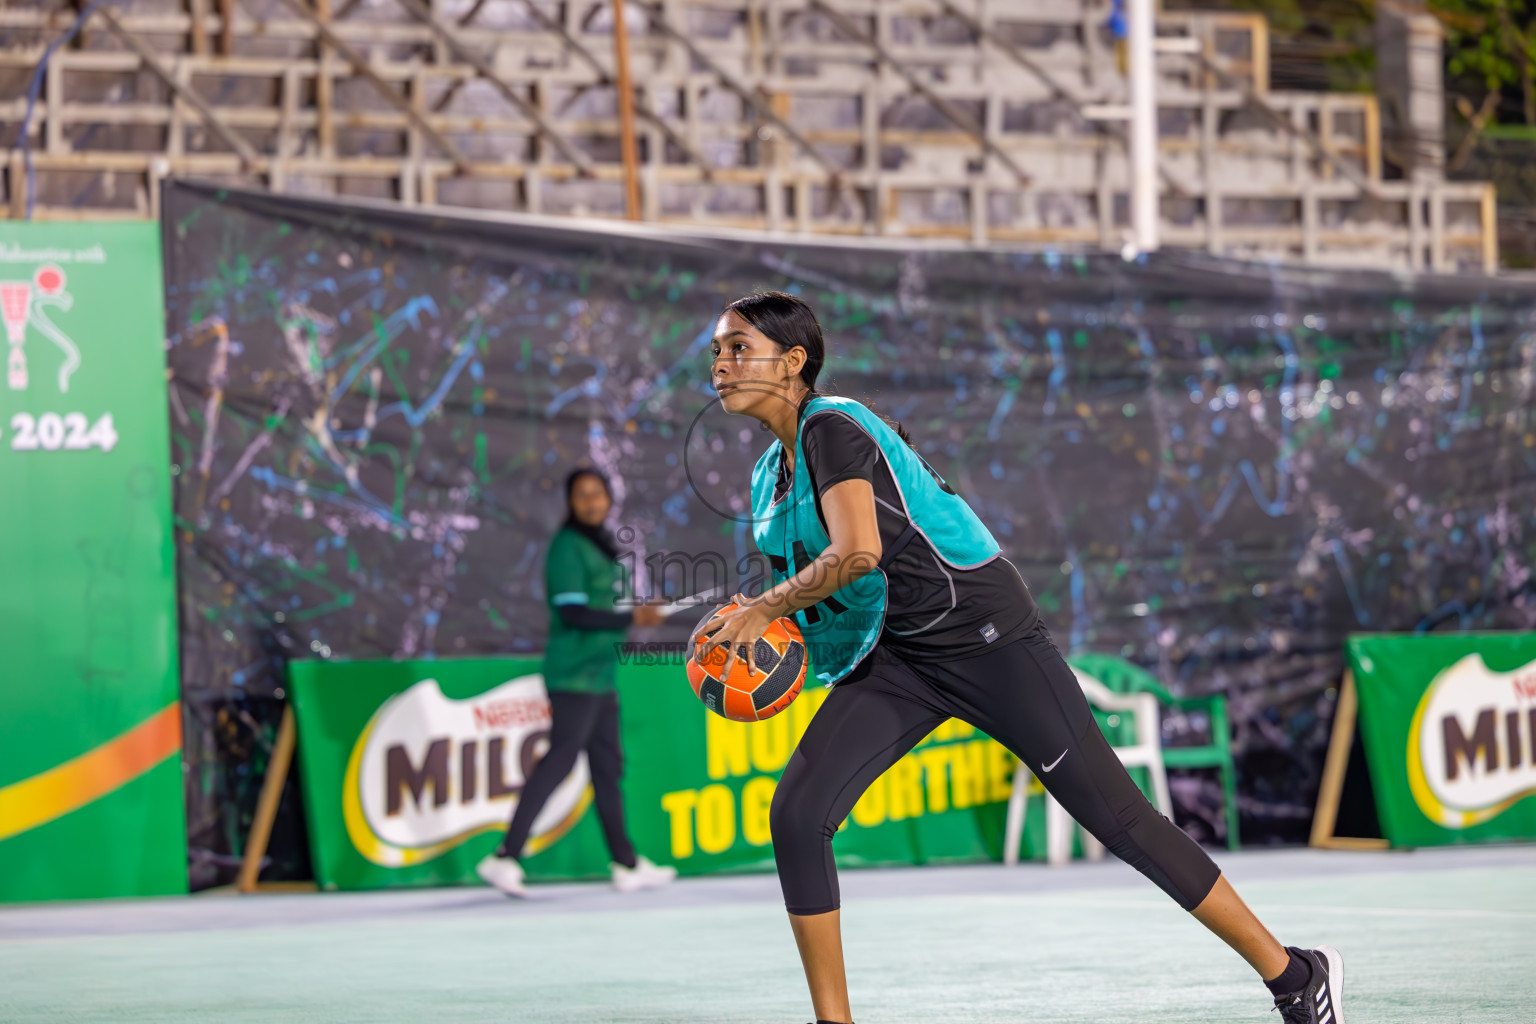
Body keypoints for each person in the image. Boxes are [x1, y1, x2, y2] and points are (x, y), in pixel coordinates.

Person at [697, 291, 1344, 1024]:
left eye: (737, 348)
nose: (720, 363)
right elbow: (829, 599)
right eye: (716, 351)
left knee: (1120, 820)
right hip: (900, 658)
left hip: (985, 638)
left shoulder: (833, 427)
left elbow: (858, 553)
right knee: (798, 812)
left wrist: (762, 609)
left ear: (793, 362)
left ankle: (1295, 975)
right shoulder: (766, 480)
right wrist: (753, 643)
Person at [477, 467, 677, 897]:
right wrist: (632, 616)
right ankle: (504, 857)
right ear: (571, 502)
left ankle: (625, 864)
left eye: (598, 494)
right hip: (573, 674)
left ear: (608, 499)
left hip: (601, 674)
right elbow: (574, 614)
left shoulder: (602, 545)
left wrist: (639, 611)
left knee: (608, 769)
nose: (591, 502)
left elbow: (608, 606)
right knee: (561, 759)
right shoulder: (567, 547)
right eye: (582, 495)